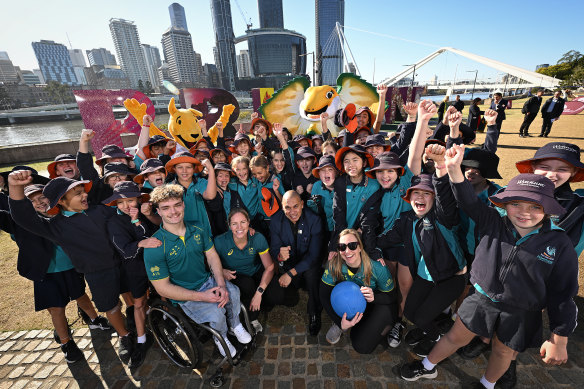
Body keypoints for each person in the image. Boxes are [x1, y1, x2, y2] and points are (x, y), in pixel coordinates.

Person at [399, 144, 578, 389]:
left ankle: (487, 384)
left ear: (548, 209)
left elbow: (564, 291)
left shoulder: (559, 241)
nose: (524, 213)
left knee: (503, 352)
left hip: (522, 310)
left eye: (535, 206)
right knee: (454, 337)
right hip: (481, 298)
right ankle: (427, 365)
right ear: (504, 204)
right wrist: (451, 169)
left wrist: (560, 336)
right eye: (516, 204)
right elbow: (467, 199)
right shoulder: (493, 220)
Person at [8, 173, 136, 364]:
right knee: (112, 306)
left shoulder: (99, 210)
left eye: (83, 191)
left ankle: (140, 325)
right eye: (77, 193)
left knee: (134, 297)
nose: (84, 195)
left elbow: (123, 216)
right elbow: (23, 216)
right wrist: (15, 187)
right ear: (61, 201)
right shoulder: (56, 227)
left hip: (124, 264)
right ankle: (124, 335)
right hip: (97, 273)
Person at [144, 184, 252, 358]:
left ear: (183, 204)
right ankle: (221, 337)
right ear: (159, 211)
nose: (173, 211)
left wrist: (221, 285)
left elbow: (212, 256)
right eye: (166, 208)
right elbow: (162, 288)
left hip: (206, 281)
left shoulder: (198, 229)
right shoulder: (155, 246)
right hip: (186, 294)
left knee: (233, 292)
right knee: (216, 312)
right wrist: (203, 296)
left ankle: (235, 324)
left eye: (177, 205)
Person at [104, 181, 160, 368]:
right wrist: (140, 243)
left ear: (138, 199)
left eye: (130, 200)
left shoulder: (143, 215)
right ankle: (142, 338)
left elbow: (155, 234)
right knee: (138, 303)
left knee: (165, 294)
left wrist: (139, 221)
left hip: (155, 263)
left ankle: (168, 323)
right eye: (120, 202)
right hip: (135, 268)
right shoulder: (113, 222)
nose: (126, 206)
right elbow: (126, 250)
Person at [320, 229, 396, 353]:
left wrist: (375, 298)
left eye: (352, 246)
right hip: (352, 303)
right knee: (354, 333)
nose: (347, 251)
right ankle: (346, 323)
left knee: (362, 347)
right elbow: (323, 294)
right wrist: (340, 323)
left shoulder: (377, 267)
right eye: (342, 247)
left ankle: (386, 326)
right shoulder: (334, 264)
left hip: (377, 304)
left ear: (360, 247)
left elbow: (392, 296)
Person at [214, 208, 279, 332]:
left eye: (243, 222)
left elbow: (269, 267)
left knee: (276, 295)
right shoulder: (220, 241)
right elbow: (208, 262)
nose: (239, 227)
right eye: (234, 223)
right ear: (229, 225)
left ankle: (257, 301)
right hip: (235, 275)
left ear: (249, 222)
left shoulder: (257, 237)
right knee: (247, 285)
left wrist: (259, 293)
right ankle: (251, 318)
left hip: (254, 271)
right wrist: (221, 270)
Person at [269, 191, 324, 336]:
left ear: (302, 205)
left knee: (312, 274)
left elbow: (313, 256)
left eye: (295, 207)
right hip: (288, 266)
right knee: (278, 294)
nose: (292, 211)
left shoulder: (314, 219)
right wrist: (280, 256)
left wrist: (290, 273)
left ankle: (314, 312)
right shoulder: (275, 220)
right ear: (282, 207)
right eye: (287, 207)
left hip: (307, 266)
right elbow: (274, 249)